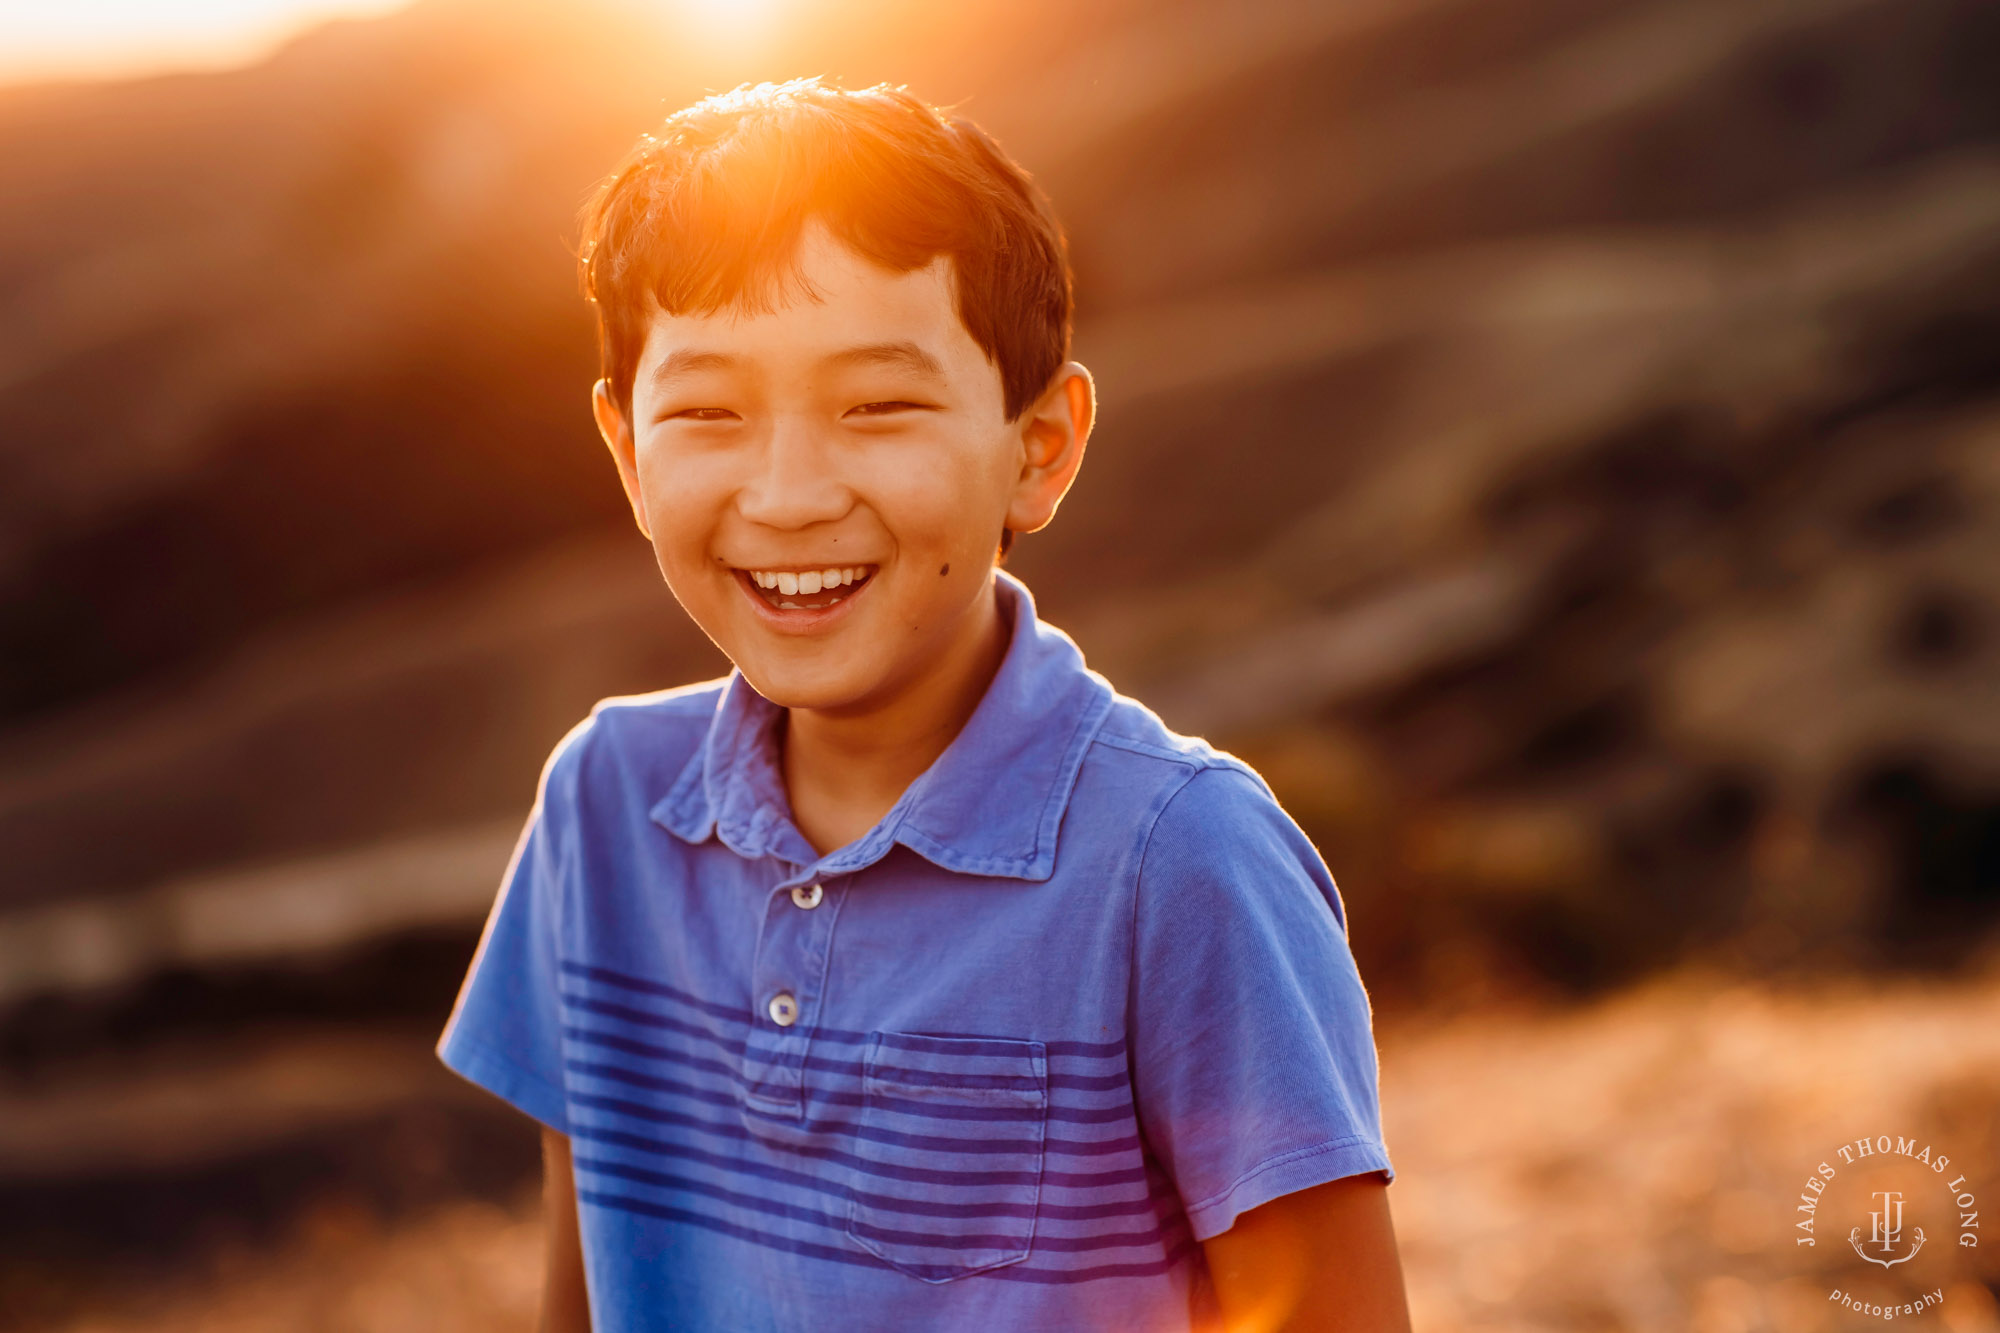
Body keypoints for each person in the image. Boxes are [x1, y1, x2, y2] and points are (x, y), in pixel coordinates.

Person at [436, 77, 1412, 1333]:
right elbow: (586, 1300)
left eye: (877, 405)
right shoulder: (602, 803)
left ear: (1040, 445)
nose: (786, 495)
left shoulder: (1180, 862)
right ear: (627, 455)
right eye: (707, 413)